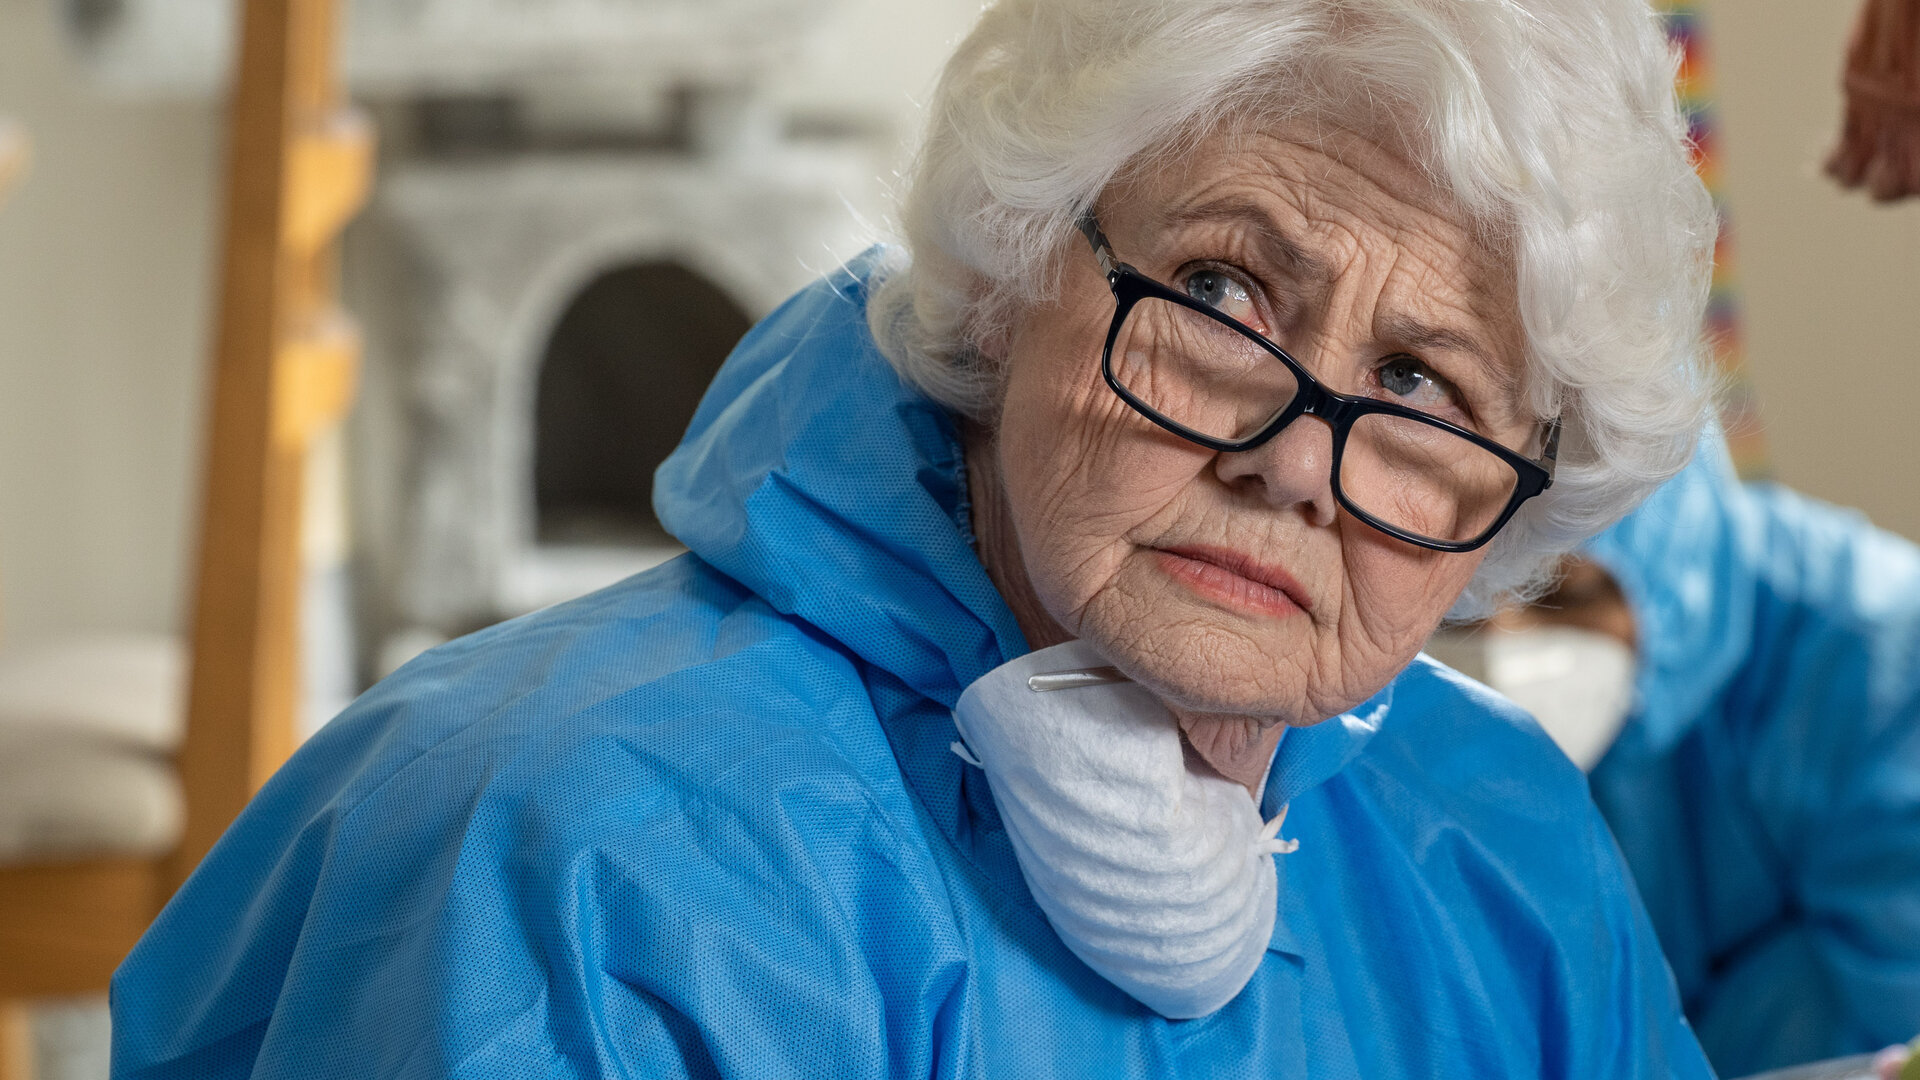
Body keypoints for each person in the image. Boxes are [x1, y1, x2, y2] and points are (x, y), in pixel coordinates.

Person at [110, 0, 1722, 1075]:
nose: (1297, 460)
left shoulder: (1510, 851)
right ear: (1015, 272)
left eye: (1424, 383)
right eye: (1224, 295)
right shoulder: (577, 853)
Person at [1504, 438, 1920, 1078]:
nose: (1513, 649)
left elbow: (1878, 1019)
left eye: (1558, 595)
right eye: (1469, 614)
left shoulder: (1881, 660)